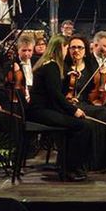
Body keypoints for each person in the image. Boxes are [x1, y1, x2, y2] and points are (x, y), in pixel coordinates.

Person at [27, 35, 90, 181]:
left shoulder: (49, 65)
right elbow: (55, 95)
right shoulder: (52, 66)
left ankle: (67, 165)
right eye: (67, 47)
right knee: (81, 126)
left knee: (75, 125)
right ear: (60, 48)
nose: (68, 51)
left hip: (41, 110)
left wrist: (68, 81)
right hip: (39, 112)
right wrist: (74, 110)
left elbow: (55, 93)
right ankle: (71, 168)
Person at [68, 35, 106, 172]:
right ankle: (99, 162)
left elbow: (96, 89)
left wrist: (104, 77)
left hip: (86, 102)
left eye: (80, 47)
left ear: (85, 50)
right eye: (73, 47)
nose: (77, 51)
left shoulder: (89, 66)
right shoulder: (65, 67)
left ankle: (104, 161)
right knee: (102, 112)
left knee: (101, 112)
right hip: (71, 104)